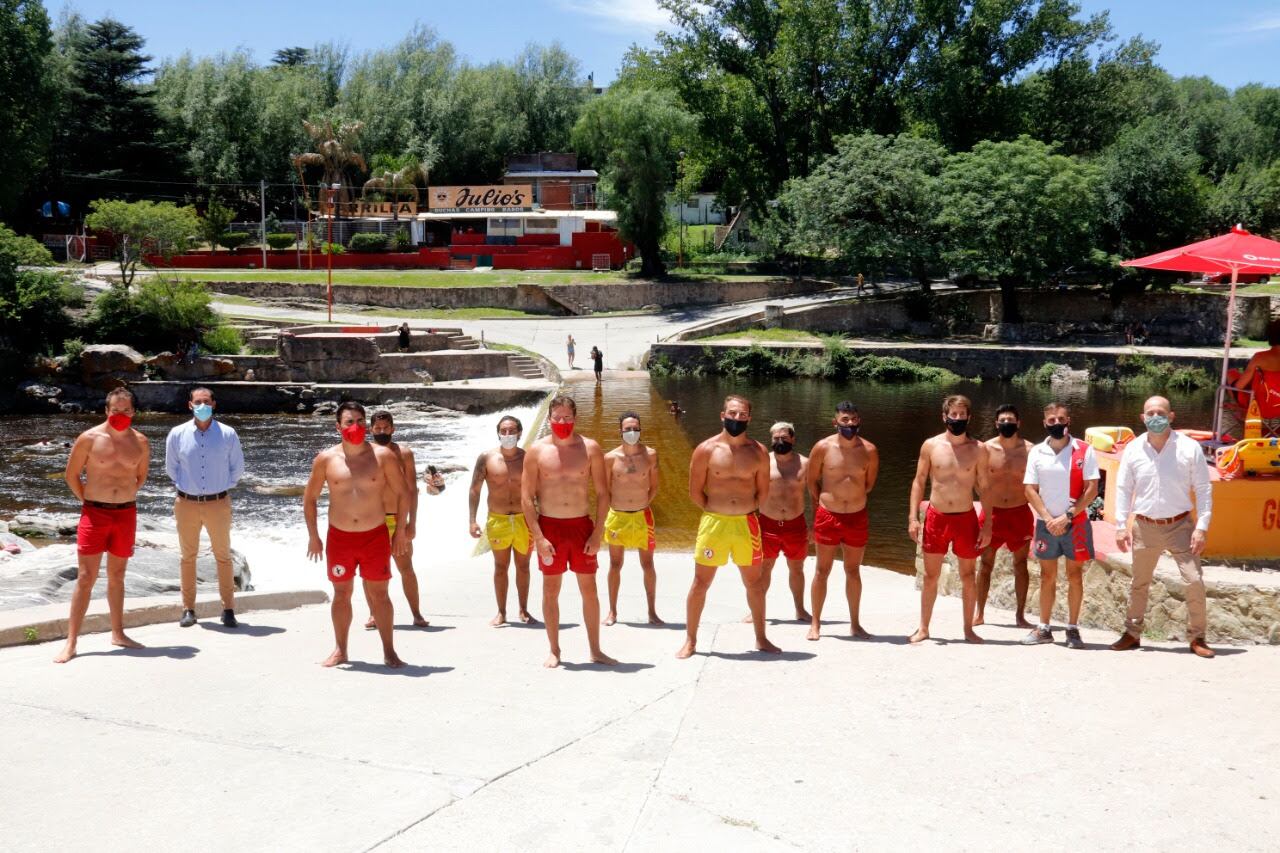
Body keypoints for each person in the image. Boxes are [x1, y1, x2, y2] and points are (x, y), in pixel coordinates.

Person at [303, 401, 409, 668]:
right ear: (338, 426)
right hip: (340, 538)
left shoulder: (383, 456)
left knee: (380, 595)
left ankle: (389, 651)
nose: (356, 426)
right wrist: (313, 536)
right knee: (341, 594)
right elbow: (310, 499)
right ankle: (341, 650)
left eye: (361, 421)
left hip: (375, 535)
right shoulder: (326, 459)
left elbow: (403, 493)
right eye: (350, 422)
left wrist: (401, 532)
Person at [677, 394, 780, 659]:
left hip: (746, 524)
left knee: (754, 584)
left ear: (749, 418)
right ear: (722, 415)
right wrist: (718, 511)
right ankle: (690, 640)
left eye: (742, 414)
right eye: (732, 413)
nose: (737, 418)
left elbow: (763, 492)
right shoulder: (706, 450)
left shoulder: (758, 452)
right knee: (700, 582)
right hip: (715, 523)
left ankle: (761, 637)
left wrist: (742, 509)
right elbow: (695, 492)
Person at [1111, 396, 1215, 658]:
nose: (1155, 417)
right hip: (1145, 525)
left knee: (1193, 580)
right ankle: (1132, 633)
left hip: (1180, 525)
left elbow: (1203, 488)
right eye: (1150, 413)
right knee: (1139, 583)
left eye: (1160, 412)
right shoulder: (1133, 449)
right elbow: (1123, 488)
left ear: (1171, 416)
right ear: (1142, 417)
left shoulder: (1189, 448)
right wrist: (1121, 525)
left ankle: (1198, 637)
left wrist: (1201, 526)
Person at [54, 388, 150, 663]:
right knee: (85, 578)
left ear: (133, 411)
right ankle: (71, 642)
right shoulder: (89, 438)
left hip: (126, 515)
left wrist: (122, 499)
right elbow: (71, 475)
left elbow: (140, 477)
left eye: (126, 410)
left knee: (117, 577)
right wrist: (90, 500)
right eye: (116, 410)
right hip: (94, 514)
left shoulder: (141, 441)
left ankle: (118, 633)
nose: (121, 414)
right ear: (107, 411)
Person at [522, 396, 616, 667]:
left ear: (575, 417)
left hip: (581, 526)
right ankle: (554, 649)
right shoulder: (536, 451)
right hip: (550, 526)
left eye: (567, 417)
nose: (562, 422)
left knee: (590, 590)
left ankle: (595, 649)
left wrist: (598, 533)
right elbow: (527, 497)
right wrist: (538, 537)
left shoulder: (590, 448)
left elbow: (602, 493)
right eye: (557, 417)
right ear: (550, 418)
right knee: (550, 589)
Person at [907, 394, 992, 644]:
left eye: (962, 415)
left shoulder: (979, 449)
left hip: (966, 518)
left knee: (968, 575)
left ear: (969, 417)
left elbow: (985, 488)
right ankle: (923, 628)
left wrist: (987, 524)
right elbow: (919, 481)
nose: (957, 419)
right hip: (937, 517)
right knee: (930, 576)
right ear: (944, 417)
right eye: (953, 415)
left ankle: (968, 629)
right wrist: (913, 517)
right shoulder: (931, 445)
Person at [1021, 402, 1099, 650]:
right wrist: (1047, 517)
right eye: (1051, 420)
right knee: (1047, 577)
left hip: (1075, 524)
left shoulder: (1084, 450)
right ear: (1045, 423)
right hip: (1046, 524)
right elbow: (1029, 490)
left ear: (1069, 421)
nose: (1057, 424)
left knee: (1075, 576)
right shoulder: (1037, 452)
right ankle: (1044, 628)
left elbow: (1092, 489)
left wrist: (1067, 516)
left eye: (1061, 419)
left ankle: (1073, 629)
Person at [165, 387, 244, 629]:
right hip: (186, 503)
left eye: (206, 401)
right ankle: (188, 609)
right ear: (190, 405)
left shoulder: (228, 434)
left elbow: (237, 468)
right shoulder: (177, 434)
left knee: (223, 556)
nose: (202, 405)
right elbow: (171, 468)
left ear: (214, 404)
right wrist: (190, 489)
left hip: (218, 503)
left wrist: (218, 489)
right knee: (188, 557)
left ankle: (228, 609)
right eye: (197, 402)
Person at [806, 402, 879, 640]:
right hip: (828, 514)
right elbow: (811, 481)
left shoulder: (869, 450)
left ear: (860, 421)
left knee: (853, 571)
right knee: (822, 570)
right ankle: (815, 623)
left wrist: (852, 499)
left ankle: (855, 624)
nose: (850, 423)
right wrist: (822, 504)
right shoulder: (822, 447)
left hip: (857, 515)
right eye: (845, 419)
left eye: (854, 419)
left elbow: (868, 484)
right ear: (835, 422)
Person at [363, 411, 429, 629]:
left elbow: (412, 490)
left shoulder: (404, 454)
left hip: (396, 519)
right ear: (371, 429)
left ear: (393, 428)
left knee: (406, 568)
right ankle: (373, 614)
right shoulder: (363, 454)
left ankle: (417, 614)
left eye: (385, 428)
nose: (382, 431)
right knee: (370, 572)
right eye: (377, 428)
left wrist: (412, 523)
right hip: (371, 520)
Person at [468, 415, 536, 626]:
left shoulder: (528, 458)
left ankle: (524, 610)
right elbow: (474, 489)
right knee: (500, 567)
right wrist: (472, 520)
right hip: (498, 520)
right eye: (504, 431)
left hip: (523, 519)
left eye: (512, 430)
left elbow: (539, 491)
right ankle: (501, 611)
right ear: (498, 433)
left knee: (523, 567)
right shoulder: (486, 458)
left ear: (520, 433)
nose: (508, 435)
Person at [975, 404, 1034, 628]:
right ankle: (979, 613)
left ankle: (1020, 615)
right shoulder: (986, 449)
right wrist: (987, 506)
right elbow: (976, 481)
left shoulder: (1030, 450)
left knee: (1020, 564)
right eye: (1002, 420)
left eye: (1011, 420)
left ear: (1018, 423)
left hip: (1020, 512)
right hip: (993, 512)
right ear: (996, 423)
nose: (1006, 423)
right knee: (986, 563)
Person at [602, 412, 661, 625]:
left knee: (648, 564)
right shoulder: (610, 458)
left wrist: (642, 502)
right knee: (615, 564)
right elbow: (604, 490)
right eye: (627, 429)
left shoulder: (651, 454)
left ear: (640, 429)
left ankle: (652, 612)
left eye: (635, 428)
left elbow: (654, 486)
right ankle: (612, 611)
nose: (632, 432)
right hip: (617, 517)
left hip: (642, 515)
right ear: (620, 431)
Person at [755, 422, 812, 624]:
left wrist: (813, 526)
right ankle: (756, 611)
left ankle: (800, 610)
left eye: (784, 438)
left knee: (797, 568)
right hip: (767, 524)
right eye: (776, 438)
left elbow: (815, 495)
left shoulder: (805, 464)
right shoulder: (762, 463)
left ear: (793, 439)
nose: (780, 441)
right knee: (764, 568)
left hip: (795, 524)